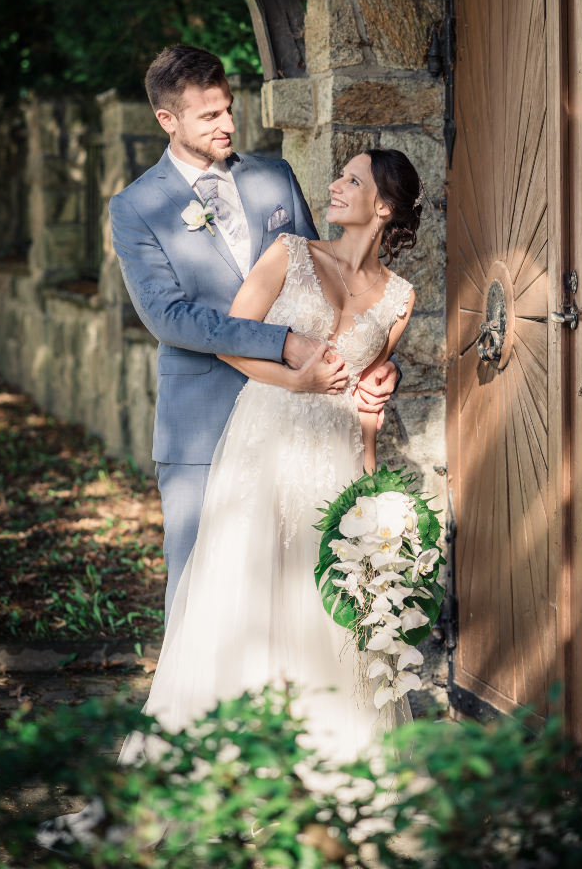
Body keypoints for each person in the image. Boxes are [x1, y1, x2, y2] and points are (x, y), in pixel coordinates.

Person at [120, 146, 420, 767]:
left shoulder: (400, 298)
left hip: (334, 455)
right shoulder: (289, 254)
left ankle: (320, 769)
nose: (333, 186)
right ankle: (223, 765)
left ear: (383, 207)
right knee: (241, 593)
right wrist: (295, 382)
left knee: (323, 609)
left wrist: (368, 453)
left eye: (352, 180)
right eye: (340, 175)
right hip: (263, 438)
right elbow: (234, 338)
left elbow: (369, 389)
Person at [108, 45, 400, 617]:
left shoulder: (274, 177)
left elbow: (330, 287)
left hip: (299, 420)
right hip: (202, 420)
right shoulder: (137, 206)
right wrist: (282, 343)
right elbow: (169, 317)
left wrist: (374, 364)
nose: (227, 125)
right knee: (198, 593)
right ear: (167, 120)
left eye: (228, 109)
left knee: (294, 587)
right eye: (208, 116)